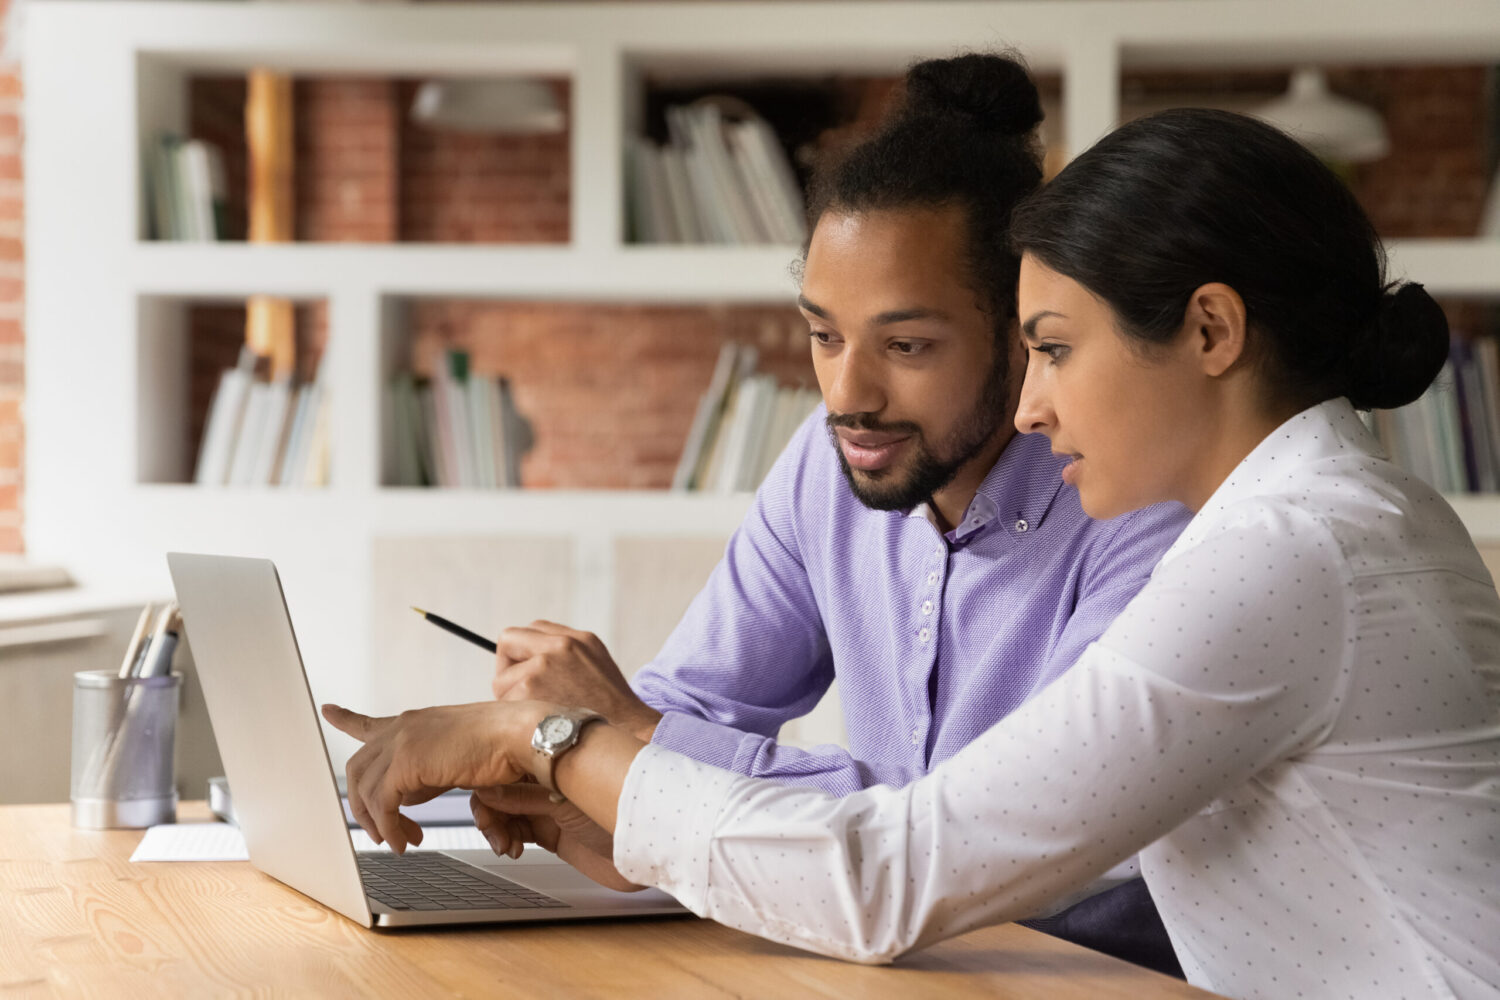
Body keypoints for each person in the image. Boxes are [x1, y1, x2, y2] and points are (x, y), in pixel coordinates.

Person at [326, 106, 1500, 1000]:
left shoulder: (1284, 553)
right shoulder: (1330, 517)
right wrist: (610, 794)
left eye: (1053, 348)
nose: (1031, 409)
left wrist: (550, 740)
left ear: (1209, 331)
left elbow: (893, 872)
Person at [477, 52, 1189, 973]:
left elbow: (975, 835)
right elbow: (698, 700)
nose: (848, 394)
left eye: (907, 343)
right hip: (869, 965)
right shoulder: (828, 462)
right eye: (824, 334)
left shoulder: (1140, 510)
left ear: (1024, 330)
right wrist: (559, 775)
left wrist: (625, 742)